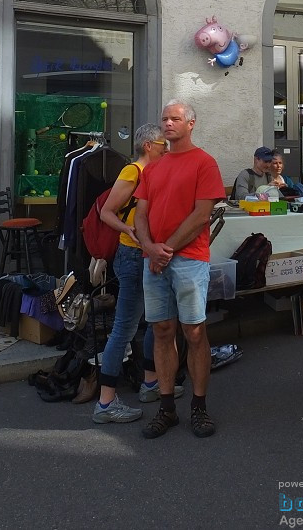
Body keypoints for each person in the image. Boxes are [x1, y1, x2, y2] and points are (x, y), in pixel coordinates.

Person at [134, 100, 225, 439]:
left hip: (188, 260)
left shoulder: (205, 163)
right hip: (155, 260)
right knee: (161, 331)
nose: (168, 124)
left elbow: (202, 215)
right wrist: (149, 248)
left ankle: (199, 407)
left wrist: (164, 250)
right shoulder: (153, 167)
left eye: (175, 119)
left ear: (191, 124)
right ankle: (167, 407)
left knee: (195, 333)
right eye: (164, 119)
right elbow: (140, 215)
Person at [91, 124, 178, 423]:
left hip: (148, 253)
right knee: (124, 329)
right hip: (131, 255)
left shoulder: (154, 173)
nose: (166, 148)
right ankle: (105, 403)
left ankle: (151, 382)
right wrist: (128, 229)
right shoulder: (133, 172)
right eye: (162, 144)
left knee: (156, 319)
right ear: (148, 146)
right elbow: (107, 212)